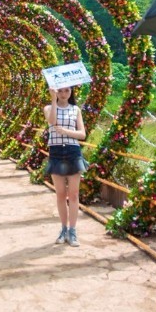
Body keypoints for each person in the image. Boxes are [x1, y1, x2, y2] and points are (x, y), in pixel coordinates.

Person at [44, 85, 88, 247]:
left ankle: (73, 230)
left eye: (67, 91)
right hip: (56, 152)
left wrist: (66, 132)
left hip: (73, 152)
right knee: (61, 194)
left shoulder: (75, 109)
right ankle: (63, 229)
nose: (63, 94)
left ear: (71, 92)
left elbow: (82, 134)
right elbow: (51, 121)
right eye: (60, 91)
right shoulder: (49, 107)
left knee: (74, 195)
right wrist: (53, 98)